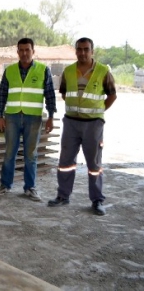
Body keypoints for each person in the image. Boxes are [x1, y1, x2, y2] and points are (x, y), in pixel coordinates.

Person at [48, 37, 117, 216]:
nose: (83, 53)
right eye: (79, 49)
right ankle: (63, 196)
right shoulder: (69, 71)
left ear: (92, 51)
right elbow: (64, 93)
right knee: (65, 162)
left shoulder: (103, 71)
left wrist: (97, 112)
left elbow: (112, 96)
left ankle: (97, 200)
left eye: (86, 49)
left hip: (93, 125)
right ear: (76, 51)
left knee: (94, 164)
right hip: (71, 123)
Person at [0, 38, 56, 201]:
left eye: (27, 50)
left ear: (33, 51)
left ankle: (30, 187)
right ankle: (5, 185)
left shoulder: (43, 70)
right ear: (17, 52)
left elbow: (50, 94)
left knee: (31, 154)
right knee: (9, 153)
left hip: (33, 117)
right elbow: (2, 94)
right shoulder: (10, 70)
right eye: (21, 50)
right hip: (12, 116)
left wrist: (51, 116)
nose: (24, 53)